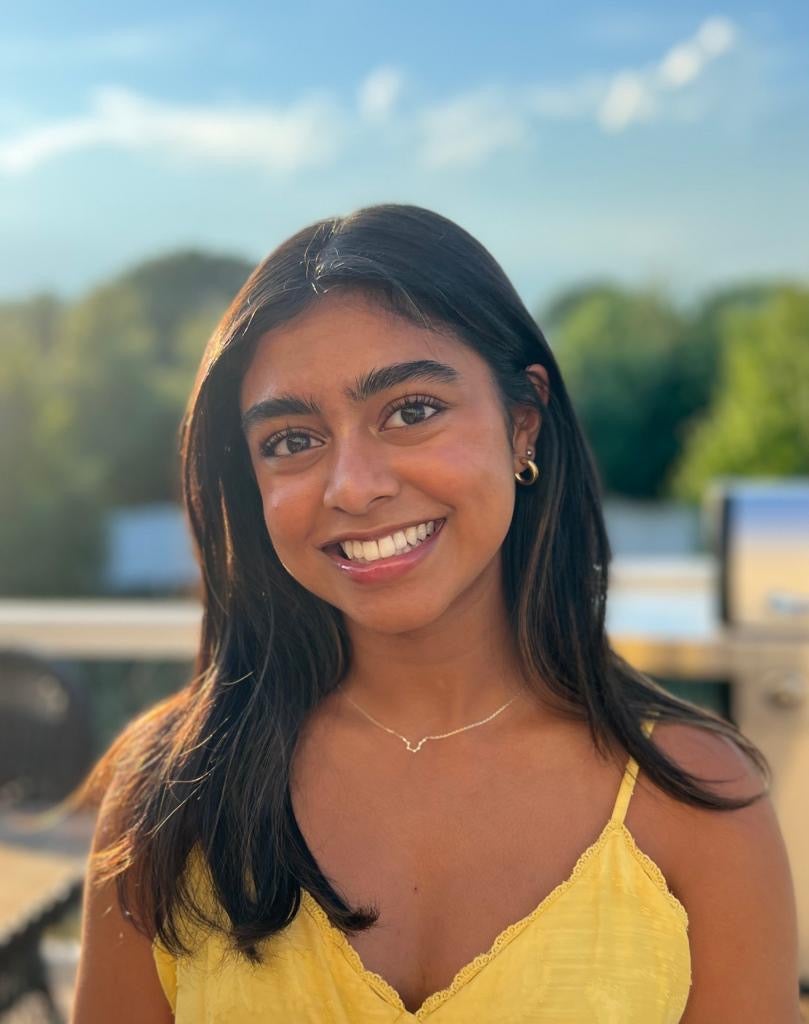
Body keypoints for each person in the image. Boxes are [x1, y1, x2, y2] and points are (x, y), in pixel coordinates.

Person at [71, 204, 800, 1023]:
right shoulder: (171, 792)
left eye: (411, 411)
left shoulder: (698, 803)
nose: (353, 485)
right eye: (290, 440)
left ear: (522, 423)